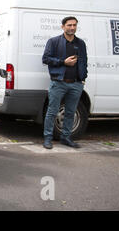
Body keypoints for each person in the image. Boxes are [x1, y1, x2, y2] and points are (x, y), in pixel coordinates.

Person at [42, 16, 87, 149]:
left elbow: (84, 61)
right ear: (63, 27)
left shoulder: (80, 43)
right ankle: (48, 138)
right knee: (52, 111)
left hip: (76, 83)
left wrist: (83, 78)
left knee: (70, 112)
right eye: (69, 25)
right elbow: (46, 59)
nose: (72, 28)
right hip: (58, 82)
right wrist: (63, 62)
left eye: (74, 25)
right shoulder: (54, 41)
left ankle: (66, 137)